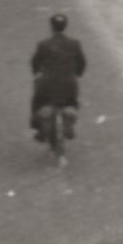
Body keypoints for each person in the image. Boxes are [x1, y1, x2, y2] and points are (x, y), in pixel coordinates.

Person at [30, 12, 86, 145]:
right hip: (68, 85)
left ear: (51, 27)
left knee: (37, 102)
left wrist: (36, 72)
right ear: (65, 26)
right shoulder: (74, 44)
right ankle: (70, 122)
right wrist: (77, 73)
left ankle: (39, 130)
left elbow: (34, 62)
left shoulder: (43, 45)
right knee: (72, 102)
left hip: (47, 85)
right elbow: (82, 63)